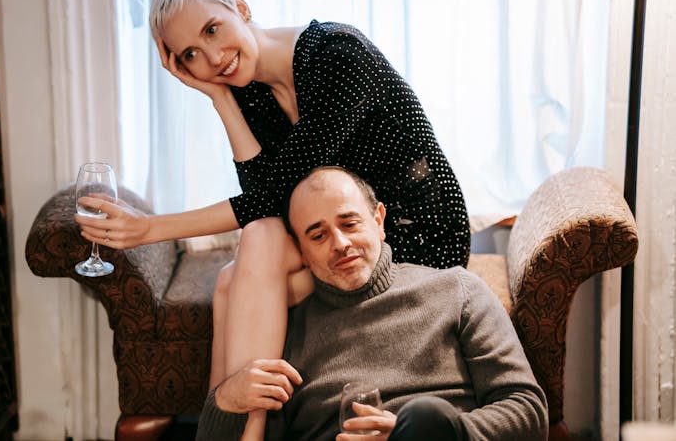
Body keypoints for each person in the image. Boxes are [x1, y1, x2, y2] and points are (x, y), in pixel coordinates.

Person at [75, 0, 471, 439]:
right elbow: (267, 201)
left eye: (212, 29)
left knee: (243, 269)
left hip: (418, 236)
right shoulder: (251, 91)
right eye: (191, 55)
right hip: (343, 235)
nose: (213, 57)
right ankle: (236, 428)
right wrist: (219, 97)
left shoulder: (337, 56)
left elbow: (272, 195)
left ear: (241, 7)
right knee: (234, 278)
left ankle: (247, 431)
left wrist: (151, 228)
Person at [195, 166, 548, 441]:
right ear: (300, 249)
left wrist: (440, 432)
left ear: (379, 221)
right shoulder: (282, 326)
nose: (340, 243)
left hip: (436, 432)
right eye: (318, 235)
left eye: (350, 223)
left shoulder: (456, 290)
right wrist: (227, 400)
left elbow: (528, 412)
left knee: (425, 417)